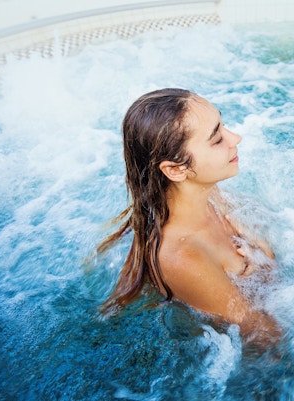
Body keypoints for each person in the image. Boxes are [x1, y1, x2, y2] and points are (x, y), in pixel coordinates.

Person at [98, 88, 281, 346]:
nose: (235, 138)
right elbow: (264, 336)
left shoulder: (209, 193)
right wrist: (268, 264)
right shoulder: (182, 259)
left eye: (223, 125)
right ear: (176, 169)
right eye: (217, 139)